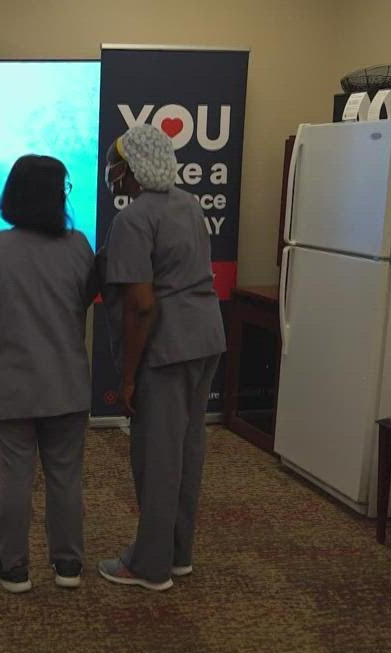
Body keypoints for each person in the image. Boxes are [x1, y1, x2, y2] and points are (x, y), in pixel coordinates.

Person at [0, 155, 98, 594]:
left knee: (15, 475)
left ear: (10, 195)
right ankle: (68, 565)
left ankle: (12, 566)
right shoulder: (79, 246)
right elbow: (82, 301)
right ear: (59, 196)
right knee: (66, 475)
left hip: (8, 385)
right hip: (67, 384)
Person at [96, 125, 227, 591]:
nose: (110, 173)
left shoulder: (132, 221)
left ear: (131, 169)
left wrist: (128, 377)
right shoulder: (190, 204)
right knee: (188, 450)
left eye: (116, 164)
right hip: (207, 339)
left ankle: (149, 566)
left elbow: (141, 305)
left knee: (156, 457)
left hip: (168, 349)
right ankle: (177, 554)